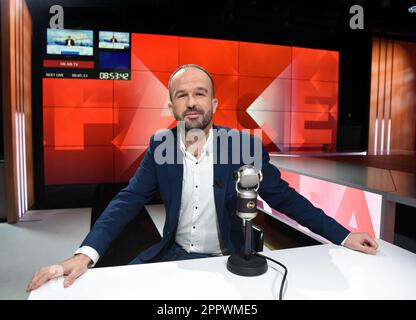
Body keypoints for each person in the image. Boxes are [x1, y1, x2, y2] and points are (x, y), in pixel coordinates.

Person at [27, 64, 378, 292]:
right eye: (182, 95)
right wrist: (85, 254)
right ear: (171, 107)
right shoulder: (160, 145)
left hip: (231, 257)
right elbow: (128, 201)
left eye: (199, 94)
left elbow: (285, 198)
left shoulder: (243, 146)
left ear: (214, 102)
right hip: (172, 254)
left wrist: (343, 235)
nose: (191, 102)